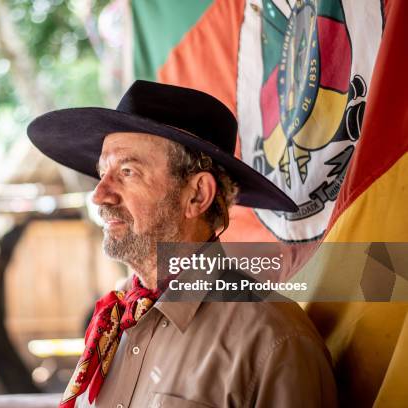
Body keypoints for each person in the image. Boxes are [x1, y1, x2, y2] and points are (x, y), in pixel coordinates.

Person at [27, 80, 337, 407]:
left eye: (128, 171)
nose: (99, 194)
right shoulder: (117, 322)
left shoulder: (272, 341)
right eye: (102, 172)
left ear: (197, 195)